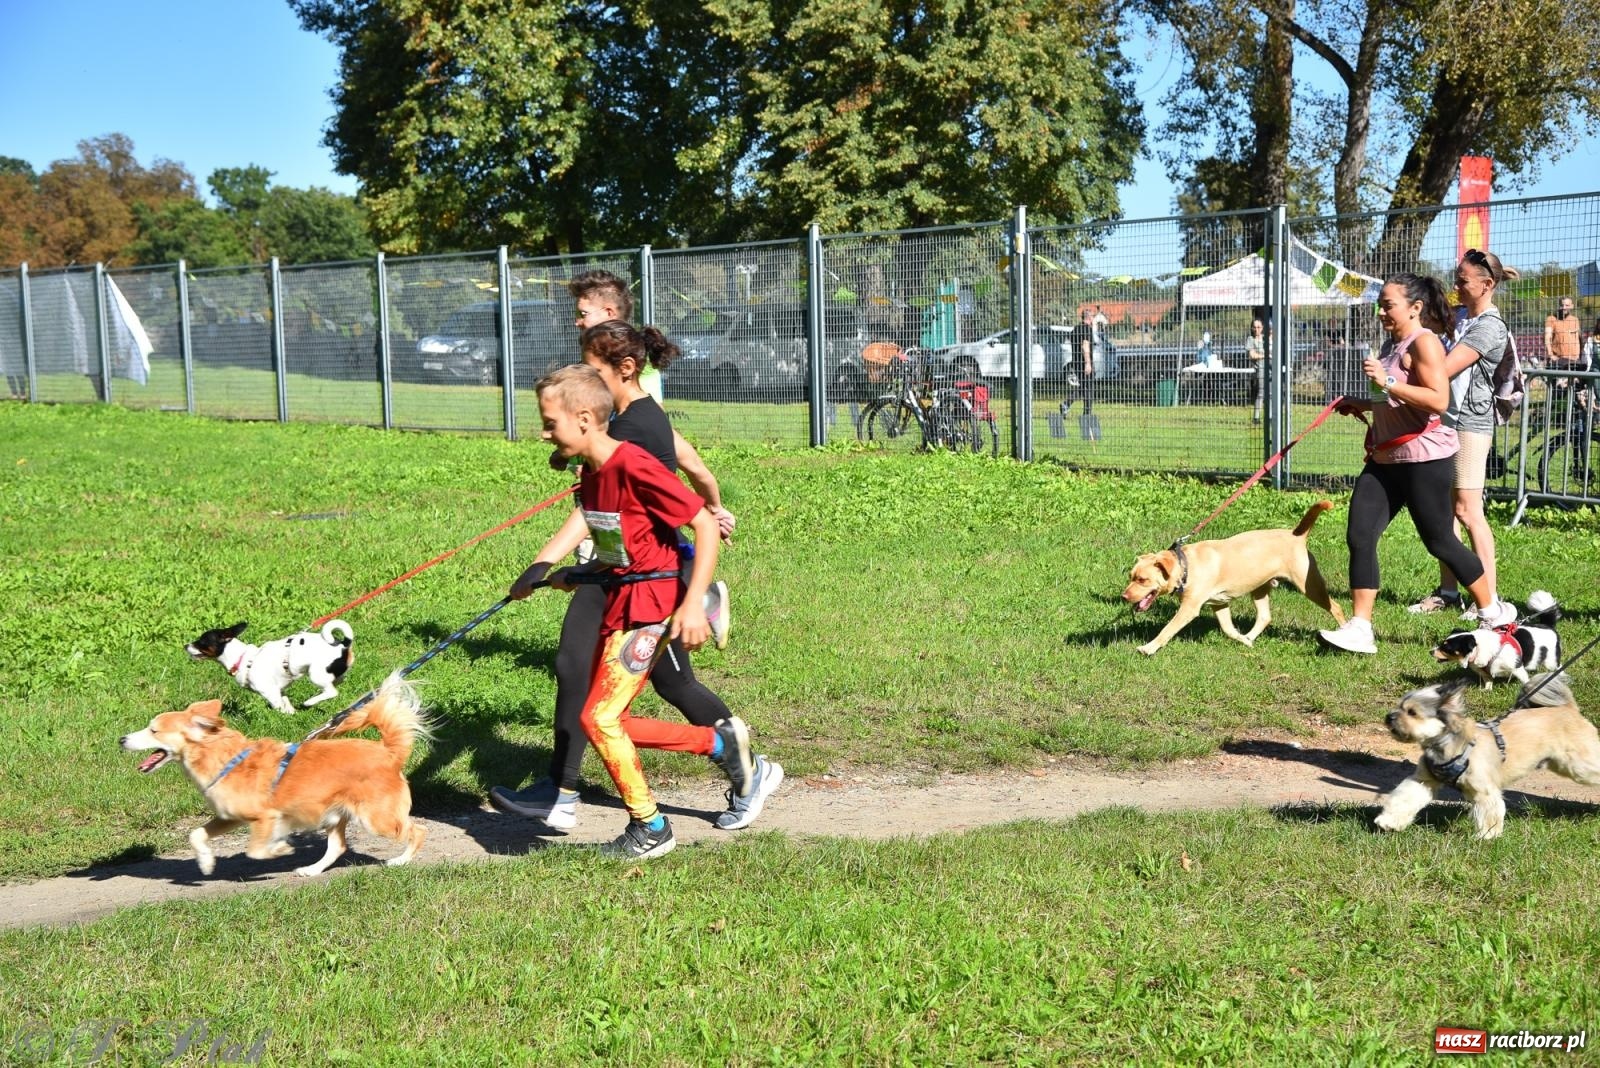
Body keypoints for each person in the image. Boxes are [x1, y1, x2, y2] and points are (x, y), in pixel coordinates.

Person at [491, 293, 782, 835]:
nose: (589, 380)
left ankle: (711, 774)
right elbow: (645, 490)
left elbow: (679, 504)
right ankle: (568, 790)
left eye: (594, 373)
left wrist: (690, 597)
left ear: (620, 374)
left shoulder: (631, 434)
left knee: (627, 694)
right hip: (620, 576)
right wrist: (558, 570)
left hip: (650, 584)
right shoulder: (615, 434)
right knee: (598, 689)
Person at [1319, 273, 1515, 654]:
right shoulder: (1391, 344)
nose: (1381, 312)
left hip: (1424, 459)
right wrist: (1361, 403)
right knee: (1360, 534)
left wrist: (1387, 382)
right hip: (1386, 459)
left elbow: (1438, 400)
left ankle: (1493, 612)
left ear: (1415, 308)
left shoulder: (1424, 342)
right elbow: (1392, 399)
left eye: (1388, 305)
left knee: (1440, 541)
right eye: (1380, 305)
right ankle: (1360, 627)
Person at [1409, 249, 1517, 616]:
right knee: (1445, 512)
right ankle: (1449, 592)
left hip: (1471, 424)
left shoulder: (1490, 326)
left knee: (1468, 511)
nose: (1455, 286)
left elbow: (1445, 367)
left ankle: (1488, 597)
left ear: (1487, 285)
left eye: (1463, 281)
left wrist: (1406, 369)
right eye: (1456, 279)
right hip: (1443, 420)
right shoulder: (1458, 317)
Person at [1245, 319, 1267, 424]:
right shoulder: (1251, 339)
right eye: (1254, 327)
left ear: (1262, 328)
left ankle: (1270, 417)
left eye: (1258, 327)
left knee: (1271, 394)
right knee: (1261, 393)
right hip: (1260, 368)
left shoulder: (1266, 339)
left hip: (1270, 367)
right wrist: (1265, 356)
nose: (1256, 329)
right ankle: (1256, 417)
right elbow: (1252, 355)